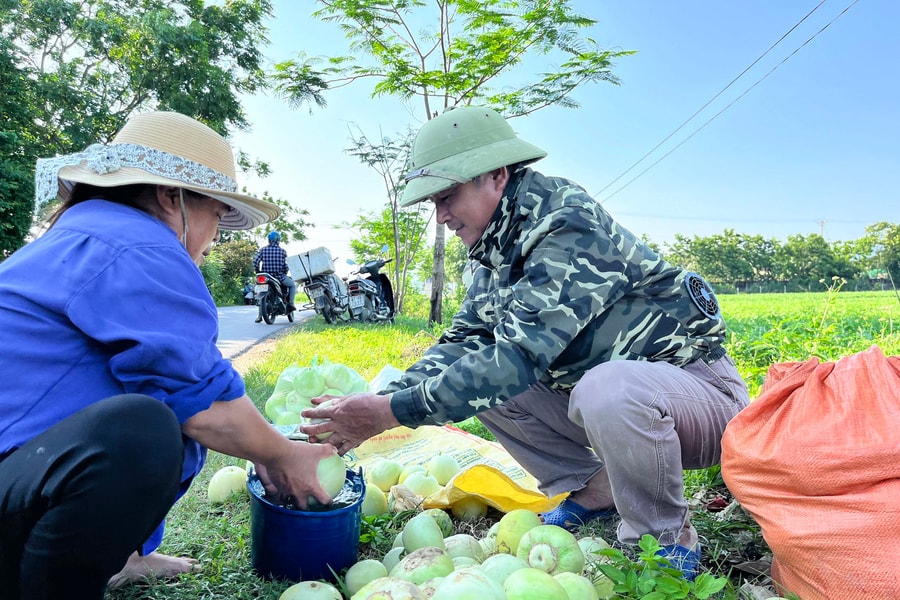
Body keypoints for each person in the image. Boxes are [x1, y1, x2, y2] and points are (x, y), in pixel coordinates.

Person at [302, 106, 750, 580]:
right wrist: (375, 405)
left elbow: (517, 357)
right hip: (612, 411)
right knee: (475, 377)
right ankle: (596, 488)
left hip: (699, 400)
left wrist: (391, 413)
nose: (442, 216)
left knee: (599, 386)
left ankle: (663, 541)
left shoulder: (566, 223)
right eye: (434, 201)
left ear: (496, 175)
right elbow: (461, 344)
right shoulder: (493, 253)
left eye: (448, 196)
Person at [0, 111, 337, 600]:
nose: (215, 238)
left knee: (160, 411)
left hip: (20, 472)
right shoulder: (138, 245)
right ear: (169, 196)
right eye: (216, 216)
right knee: (141, 430)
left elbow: (184, 380)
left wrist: (264, 445)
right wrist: (284, 455)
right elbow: (206, 404)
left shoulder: (88, 232)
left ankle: (123, 558)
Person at [252, 230, 296, 322]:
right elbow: (285, 266)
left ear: (269, 240)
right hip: (279, 277)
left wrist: (258, 271)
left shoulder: (263, 250)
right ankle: (291, 304)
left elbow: (256, 262)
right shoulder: (282, 251)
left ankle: (259, 316)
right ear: (278, 241)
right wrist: (284, 272)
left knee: (261, 291)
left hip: (266, 276)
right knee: (292, 285)